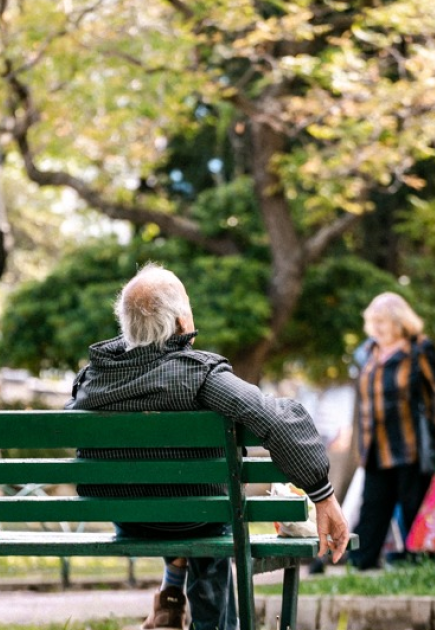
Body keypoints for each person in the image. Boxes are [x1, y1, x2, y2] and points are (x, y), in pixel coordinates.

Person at [66, 264, 350, 630]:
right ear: (182, 323)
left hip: (129, 519)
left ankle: (171, 594)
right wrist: (322, 494)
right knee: (209, 511)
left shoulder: (92, 380)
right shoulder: (198, 375)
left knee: (182, 495)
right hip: (197, 518)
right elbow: (280, 419)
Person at [348, 292, 435, 570]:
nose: (376, 328)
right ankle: (361, 561)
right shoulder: (368, 353)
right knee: (373, 505)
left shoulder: (419, 349)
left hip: (410, 442)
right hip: (376, 444)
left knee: (414, 504)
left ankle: (422, 560)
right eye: (373, 322)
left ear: (399, 322)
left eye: (382, 322)